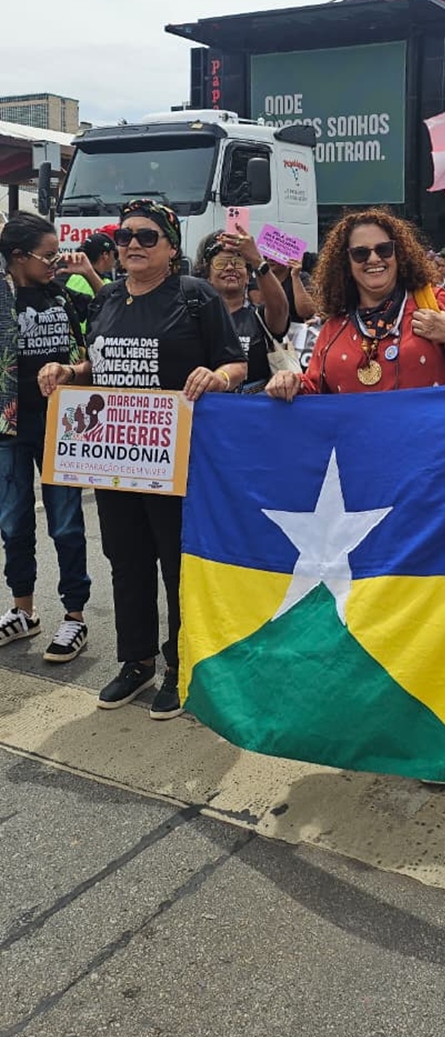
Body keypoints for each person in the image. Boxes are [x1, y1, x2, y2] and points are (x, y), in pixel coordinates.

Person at [40, 199, 247, 719]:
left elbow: (236, 362)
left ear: (172, 248)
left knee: (178, 565)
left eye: (147, 236)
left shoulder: (195, 297)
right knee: (126, 561)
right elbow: (100, 363)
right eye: (125, 235)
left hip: (177, 461)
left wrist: (217, 378)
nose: (132, 244)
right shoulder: (107, 298)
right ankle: (136, 661)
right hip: (114, 460)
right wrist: (70, 373)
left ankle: (182, 665)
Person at [265, 208, 445, 401]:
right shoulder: (334, 327)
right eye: (360, 253)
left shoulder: (437, 303)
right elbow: (316, 389)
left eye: (383, 249)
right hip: (361, 459)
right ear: (346, 263)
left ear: (399, 254)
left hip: (434, 459)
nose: (374, 258)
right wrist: (291, 383)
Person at [0, 213, 92, 663]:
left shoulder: (62, 294)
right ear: (18, 257)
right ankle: (23, 610)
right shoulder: (2, 298)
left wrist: (70, 372)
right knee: (14, 523)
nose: (56, 261)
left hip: (63, 426)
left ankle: (74, 614)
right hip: (10, 428)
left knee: (67, 523)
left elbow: (88, 356)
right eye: (48, 255)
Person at [194, 226, 290, 389]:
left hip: (252, 408)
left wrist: (258, 262)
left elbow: (280, 310)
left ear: (247, 277)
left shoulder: (259, 318)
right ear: (207, 275)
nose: (230, 268)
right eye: (221, 263)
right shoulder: (194, 319)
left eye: (238, 263)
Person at [65, 230, 118, 332]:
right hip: (92, 336)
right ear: (105, 255)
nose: (116, 260)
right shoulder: (106, 284)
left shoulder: (69, 276)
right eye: (115, 254)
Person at [266, 256, 317, 324]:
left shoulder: (302, 278)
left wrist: (295, 276)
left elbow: (306, 313)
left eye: (276, 255)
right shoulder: (262, 278)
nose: (270, 259)